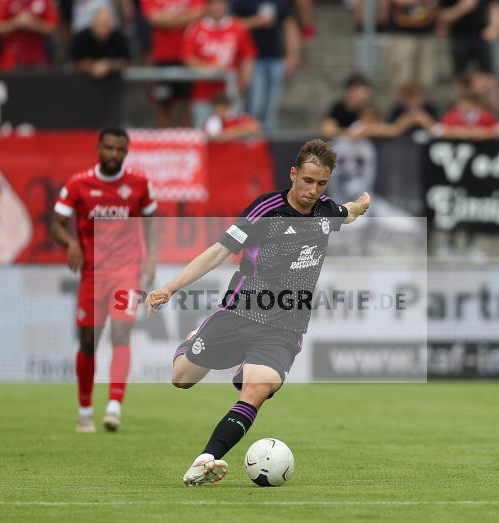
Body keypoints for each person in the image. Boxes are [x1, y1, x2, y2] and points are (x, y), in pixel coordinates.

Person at [145, 139, 371, 485]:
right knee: (182, 379)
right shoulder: (265, 210)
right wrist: (170, 288)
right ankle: (192, 340)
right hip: (239, 312)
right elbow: (218, 252)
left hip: (285, 326)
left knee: (255, 390)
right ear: (293, 174)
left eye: (321, 184)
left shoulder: (326, 211)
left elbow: (348, 213)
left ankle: (207, 459)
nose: (313, 190)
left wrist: (359, 205)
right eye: (307, 181)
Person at [50, 127, 157, 433]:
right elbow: (56, 223)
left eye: (120, 150)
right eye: (109, 148)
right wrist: (70, 243)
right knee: (88, 342)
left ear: (126, 151)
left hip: (126, 270)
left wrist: (151, 258)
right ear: (99, 148)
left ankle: (113, 406)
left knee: (121, 332)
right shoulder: (79, 183)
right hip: (92, 274)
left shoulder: (139, 183)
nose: (114, 155)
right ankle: (85, 409)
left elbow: (151, 223)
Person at [182, 0, 257, 130]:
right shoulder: (195, 28)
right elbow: (188, 58)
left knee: (231, 131)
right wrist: (211, 67)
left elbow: (248, 56)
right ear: (207, 6)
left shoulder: (237, 27)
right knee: (203, 131)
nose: (217, 7)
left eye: (220, 3)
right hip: (203, 92)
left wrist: (244, 80)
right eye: (213, 4)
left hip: (229, 93)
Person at [232, 0, 300, 136]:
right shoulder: (242, 3)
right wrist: (257, 21)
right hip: (252, 59)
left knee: (272, 107)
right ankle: (251, 138)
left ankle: (269, 140)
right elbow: (232, 25)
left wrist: (292, 55)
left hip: (276, 58)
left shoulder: (282, 3)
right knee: (256, 104)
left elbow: (290, 26)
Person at [141, 0, 205, 127]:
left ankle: (187, 142)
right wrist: (183, 17)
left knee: (186, 104)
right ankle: (164, 143)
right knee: (162, 105)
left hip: (188, 58)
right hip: (161, 58)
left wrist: (168, 19)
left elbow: (199, 13)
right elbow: (153, 17)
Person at [438, 0, 499, 112]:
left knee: (489, 78)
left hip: (481, 36)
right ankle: (461, 114)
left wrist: (495, 27)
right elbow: (442, 16)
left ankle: (494, 115)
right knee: (461, 79)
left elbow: (495, 8)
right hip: (458, 37)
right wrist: (461, 8)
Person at [0, 0, 60, 70]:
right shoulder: (5, 2)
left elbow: (53, 28)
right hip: (10, 59)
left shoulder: (44, 2)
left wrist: (32, 24)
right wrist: (16, 23)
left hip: (37, 58)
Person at [70, 7, 131, 77]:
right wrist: (93, 66)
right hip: (82, 81)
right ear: (93, 23)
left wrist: (108, 65)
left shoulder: (119, 37)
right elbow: (74, 62)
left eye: (107, 25)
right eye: (101, 25)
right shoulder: (81, 38)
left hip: (115, 82)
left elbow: (126, 61)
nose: (104, 29)